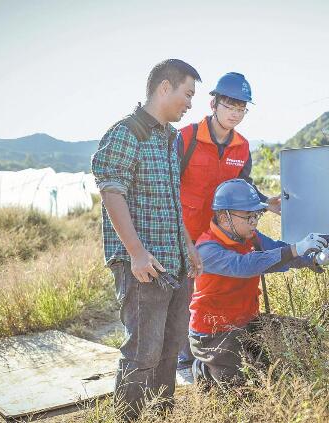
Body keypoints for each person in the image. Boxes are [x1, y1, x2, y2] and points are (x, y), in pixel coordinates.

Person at [91, 59, 203, 420]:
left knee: (170, 350)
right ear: (164, 88)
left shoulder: (171, 139)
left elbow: (172, 201)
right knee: (142, 353)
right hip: (144, 269)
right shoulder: (126, 133)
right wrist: (136, 254)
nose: (190, 104)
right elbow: (111, 192)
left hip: (175, 264)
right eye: (187, 94)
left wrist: (188, 246)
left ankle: (161, 416)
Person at [175, 72, 280, 373]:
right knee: (183, 295)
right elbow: (168, 186)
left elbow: (243, 185)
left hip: (220, 236)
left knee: (212, 293)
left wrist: (265, 203)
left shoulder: (242, 147)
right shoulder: (187, 138)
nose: (235, 113)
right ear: (213, 103)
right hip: (183, 233)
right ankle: (185, 361)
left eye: (241, 108)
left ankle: (205, 360)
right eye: (230, 105)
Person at [188, 179, 329, 386]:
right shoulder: (207, 250)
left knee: (309, 336)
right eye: (248, 216)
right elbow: (246, 266)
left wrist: (312, 258)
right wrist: (295, 249)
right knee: (243, 389)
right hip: (213, 333)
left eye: (257, 215)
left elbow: (278, 251)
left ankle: (227, 364)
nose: (254, 221)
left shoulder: (250, 236)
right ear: (223, 217)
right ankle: (205, 369)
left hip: (246, 322)